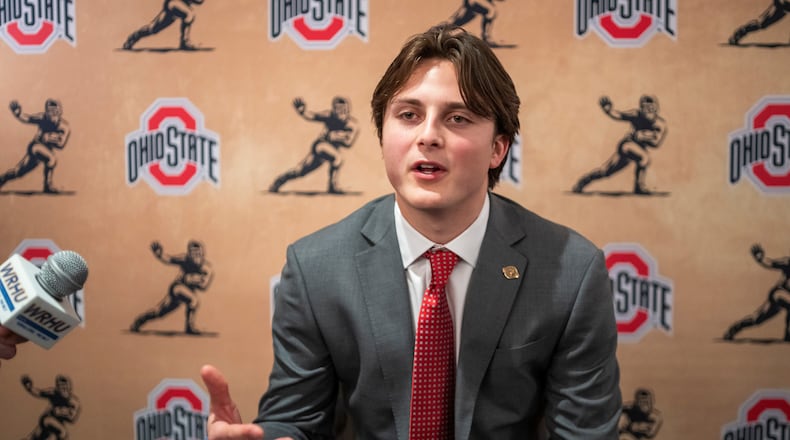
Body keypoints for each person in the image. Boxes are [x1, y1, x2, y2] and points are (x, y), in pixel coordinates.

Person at [201, 23, 621, 439]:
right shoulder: (315, 269)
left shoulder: (571, 273)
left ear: (498, 148)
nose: (428, 136)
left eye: (457, 118)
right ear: (383, 134)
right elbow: (295, 420)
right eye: (408, 115)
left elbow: (585, 434)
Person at [572, 95, 667, 195]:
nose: (648, 111)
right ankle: (639, 187)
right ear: (641, 108)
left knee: (605, 171)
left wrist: (645, 136)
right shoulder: (636, 114)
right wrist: (609, 111)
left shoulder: (660, 124)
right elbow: (620, 115)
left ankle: (584, 181)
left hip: (637, 149)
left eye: (651, 108)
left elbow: (656, 143)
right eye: (645, 108)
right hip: (627, 145)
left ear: (656, 109)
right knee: (644, 158)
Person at [269, 97, 360, 194]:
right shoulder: (329, 115)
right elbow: (313, 116)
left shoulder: (352, 125)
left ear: (348, 110)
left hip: (330, 150)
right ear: (334, 110)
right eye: (338, 109)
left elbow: (349, 143)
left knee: (301, 171)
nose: (341, 113)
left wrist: (335, 137)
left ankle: (281, 179)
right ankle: (333, 186)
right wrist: (303, 112)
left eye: (344, 110)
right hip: (321, 146)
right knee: (338, 158)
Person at [130, 240, 214, 334]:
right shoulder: (184, 259)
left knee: (159, 312)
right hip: (177, 288)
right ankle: (190, 327)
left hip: (187, 292)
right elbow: (170, 259)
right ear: (189, 254)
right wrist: (160, 255)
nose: (195, 255)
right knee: (194, 300)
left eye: (198, 253)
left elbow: (204, 286)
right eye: (193, 253)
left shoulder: (207, 269)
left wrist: (192, 280)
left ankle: (140, 321)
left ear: (203, 254)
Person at [0, 99, 70, 193]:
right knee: (51, 159)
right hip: (36, 147)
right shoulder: (42, 117)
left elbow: (61, 144)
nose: (52, 114)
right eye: (50, 111)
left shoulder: (64, 127)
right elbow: (28, 119)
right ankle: (48, 186)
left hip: (46, 150)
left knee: (19, 172)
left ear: (60, 112)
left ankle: (3, 178)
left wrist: (50, 138)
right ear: (46, 112)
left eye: (55, 111)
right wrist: (18, 114)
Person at [723, 244, 790, 341]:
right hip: (779, 294)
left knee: (757, 319)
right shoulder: (787, 262)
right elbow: (771, 263)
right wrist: (760, 258)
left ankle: (737, 327)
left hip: (785, 297)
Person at [122, 0, 204, 50]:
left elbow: (199, 1)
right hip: (173, 3)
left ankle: (135, 36)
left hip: (179, 6)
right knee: (189, 14)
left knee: (153, 28)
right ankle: (185, 42)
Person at [21, 374, 81, 440]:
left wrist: (61, 412)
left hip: (54, 425)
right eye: (61, 387)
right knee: (62, 433)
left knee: (48, 434)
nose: (63, 390)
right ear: (58, 388)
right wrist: (30, 388)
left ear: (69, 388)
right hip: (48, 419)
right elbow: (40, 393)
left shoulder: (74, 402)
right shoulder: (53, 392)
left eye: (65, 387)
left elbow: (72, 418)